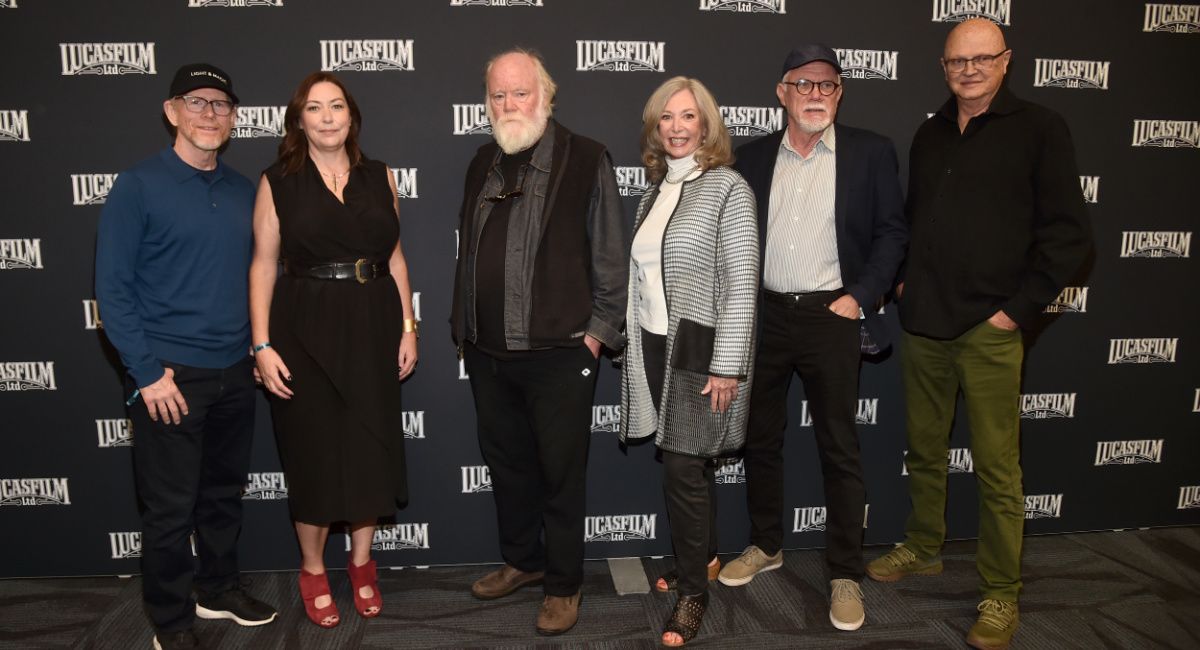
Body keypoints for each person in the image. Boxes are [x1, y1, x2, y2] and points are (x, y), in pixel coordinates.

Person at [865, 19, 1090, 650]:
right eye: (957, 60)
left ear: (1006, 61)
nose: (969, 69)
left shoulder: (1042, 129)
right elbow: (914, 220)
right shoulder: (930, 132)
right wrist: (906, 282)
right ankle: (924, 545)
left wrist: (1016, 311)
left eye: (982, 58)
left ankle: (1000, 594)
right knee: (925, 447)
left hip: (991, 329)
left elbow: (1071, 235)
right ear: (943, 67)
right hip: (926, 323)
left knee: (997, 467)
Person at [720, 45, 908, 632]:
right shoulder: (748, 159)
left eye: (827, 85)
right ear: (782, 93)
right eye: (803, 85)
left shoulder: (871, 152)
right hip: (766, 315)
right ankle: (767, 543)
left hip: (834, 314)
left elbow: (892, 233)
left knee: (839, 446)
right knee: (760, 437)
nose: (815, 95)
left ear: (840, 92)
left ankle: (845, 572)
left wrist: (862, 296)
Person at [95, 63, 277, 650]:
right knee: (170, 510)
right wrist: (147, 375)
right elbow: (112, 290)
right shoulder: (138, 186)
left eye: (222, 106)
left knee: (223, 495)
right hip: (169, 377)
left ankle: (218, 588)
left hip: (234, 371)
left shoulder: (244, 190)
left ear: (234, 119)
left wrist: (256, 346)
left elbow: (258, 276)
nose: (209, 114)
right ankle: (171, 620)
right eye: (197, 103)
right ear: (172, 111)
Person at [450, 48, 628, 636]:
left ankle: (563, 583)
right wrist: (465, 332)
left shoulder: (586, 158)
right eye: (497, 95)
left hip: (561, 353)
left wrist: (597, 338)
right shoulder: (483, 161)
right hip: (488, 352)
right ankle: (523, 561)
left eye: (519, 93)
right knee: (507, 466)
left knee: (560, 472)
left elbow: (609, 258)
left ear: (545, 96)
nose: (508, 104)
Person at [249, 72, 418, 629]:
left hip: (373, 325)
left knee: (371, 450)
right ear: (299, 120)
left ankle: (363, 563)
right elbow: (263, 265)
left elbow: (393, 259)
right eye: (314, 108)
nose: (326, 117)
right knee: (314, 455)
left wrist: (408, 325)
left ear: (352, 116)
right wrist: (262, 343)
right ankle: (314, 569)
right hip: (303, 330)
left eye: (336, 106)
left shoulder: (379, 176)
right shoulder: (279, 181)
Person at [619, 76, 760, 647]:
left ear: (707, 124)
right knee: (693, 469)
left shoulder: (729, 188)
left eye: (687, 116)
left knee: (682, 469)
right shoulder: (652, 191)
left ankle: (693, 598)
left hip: (702, 350)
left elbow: (742, 282)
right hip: (654, 343)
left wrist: (727, 363)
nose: (676, 127)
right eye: (665, 118)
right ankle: (699, 559)